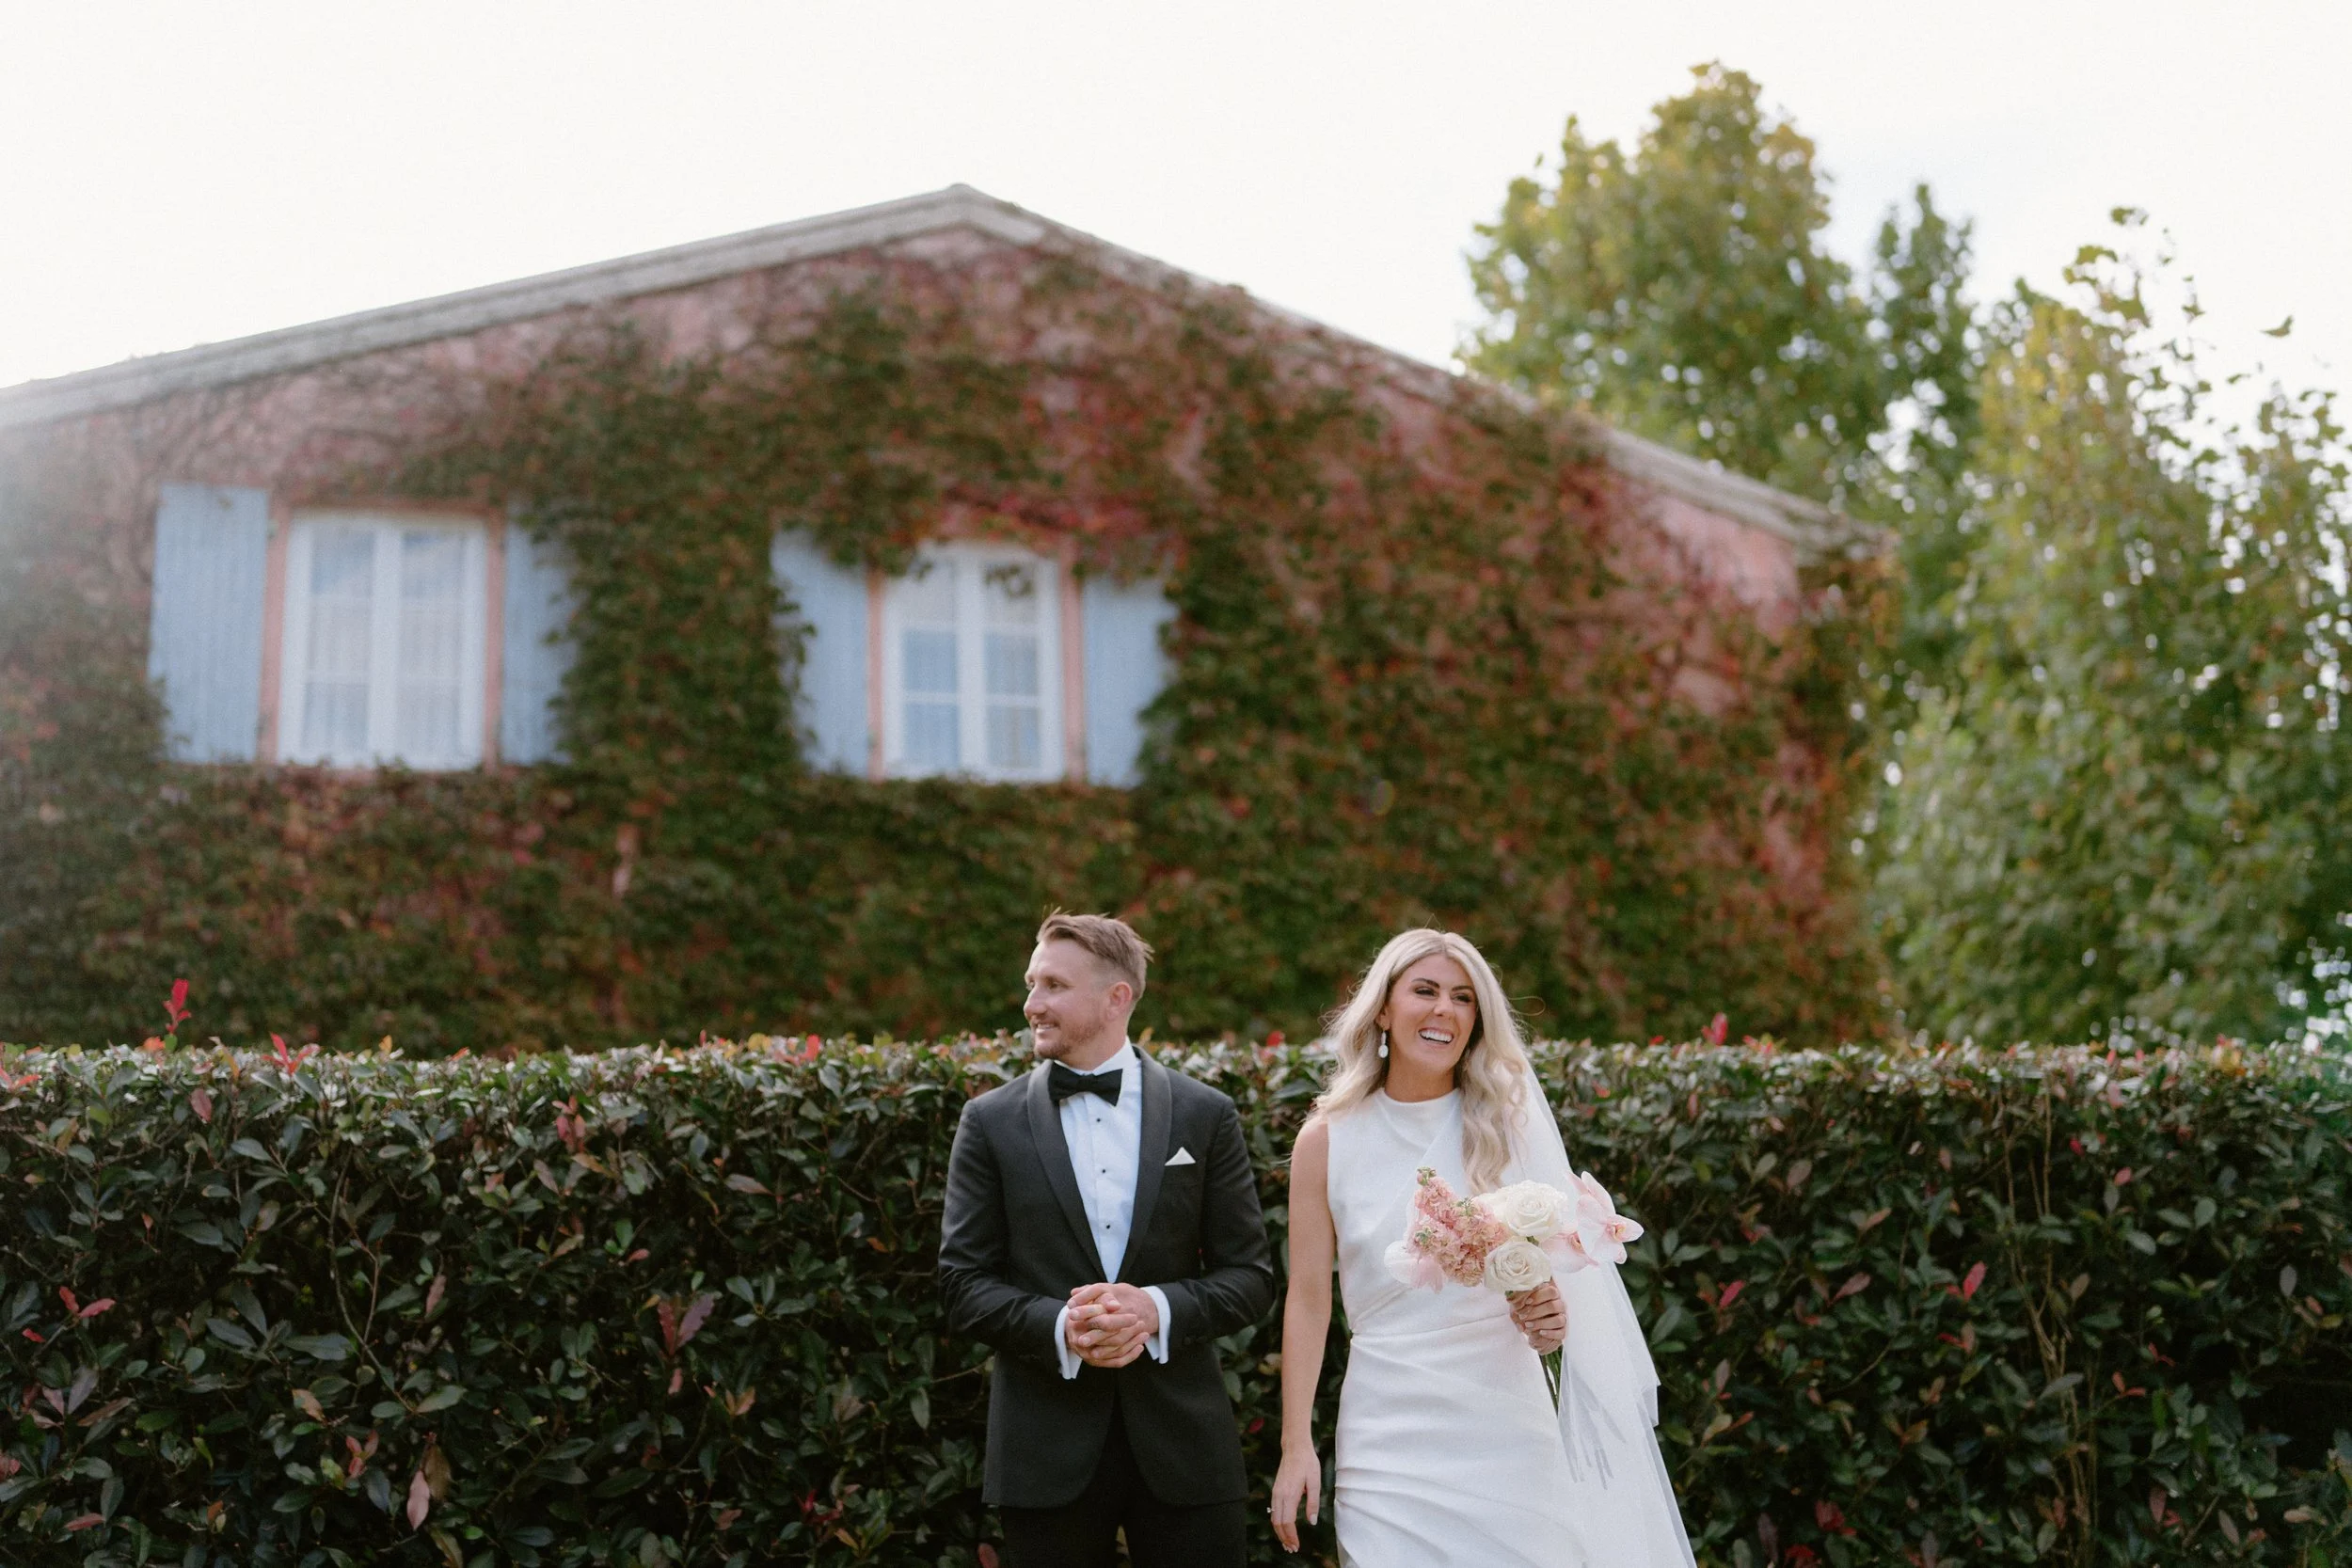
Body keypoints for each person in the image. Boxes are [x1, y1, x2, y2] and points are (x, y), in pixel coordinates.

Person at [1269, 928, 1696, 1567]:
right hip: (1388, 1432)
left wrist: (1549, 1313)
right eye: (1425, 990)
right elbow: (1307, 1300)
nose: (1445, 1008)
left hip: (1507, 1426)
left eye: (1464, 997)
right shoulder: (1325, 1140)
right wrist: (1296, 1444)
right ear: (1383, 1007)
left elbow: (1563, 1284)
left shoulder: (1506, 1126)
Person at [937, 912, 1277, 1568]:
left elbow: (1251, 1276)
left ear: (1117, 997)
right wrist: (1062, 1325)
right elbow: (961, 1283)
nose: (1031, 1003)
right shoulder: (988, 1122)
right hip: (1043, 1450)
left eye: (1054, 985)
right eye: (1031, 983)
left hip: (1186, 1449)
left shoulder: (1205, 1113)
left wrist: (1157, 1309)